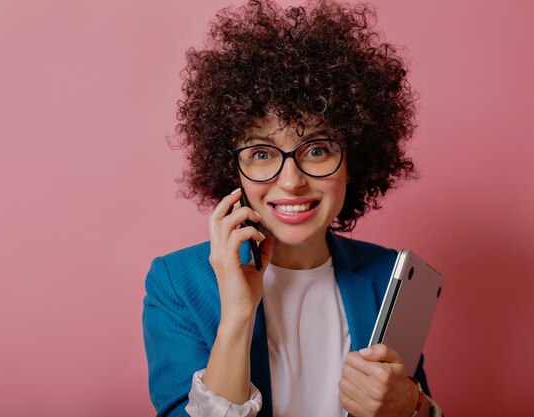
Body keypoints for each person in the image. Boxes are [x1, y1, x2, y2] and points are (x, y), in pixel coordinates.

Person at [143, 1, 443, 416]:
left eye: (317, 149)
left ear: (355, 158)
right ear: (234, 170)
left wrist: (414, 407)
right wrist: (236, 314)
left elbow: (410, 402)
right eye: (262, 153)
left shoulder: (386, 276)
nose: (291, 181)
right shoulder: (177, 284)